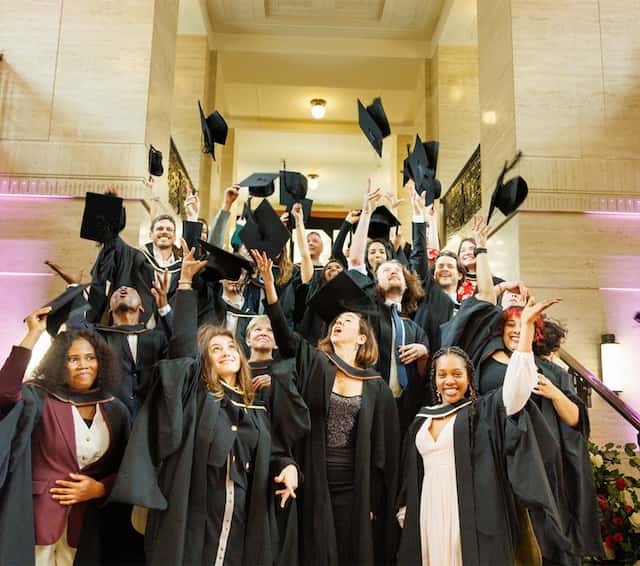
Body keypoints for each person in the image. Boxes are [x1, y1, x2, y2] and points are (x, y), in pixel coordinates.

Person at [109, 241, 306, 566]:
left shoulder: (255, 409)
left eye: (231, 348)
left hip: (241, 515)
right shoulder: (196, 395)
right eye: (216, 349)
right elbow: (183, 349)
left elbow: (271, 452)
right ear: (206, 361)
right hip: (192, 513)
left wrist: (288, 468)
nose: (226, 352)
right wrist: (185, 283)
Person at [396, 297, 577, 566]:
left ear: (470, 378)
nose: (449, 381)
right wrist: (406, 504)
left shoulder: (481, 412)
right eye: (442, 375)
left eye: (457, 374)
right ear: (434, 379)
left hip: (468, 509)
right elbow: (412, 470)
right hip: (428, 509)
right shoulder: (421, 420)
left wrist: (526, 331)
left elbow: (516, 393)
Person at [253, 248, 401, 566]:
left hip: (355, 487)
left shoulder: (376, 387)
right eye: (336, 321)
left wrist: (374, 500)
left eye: (347, 321)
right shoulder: (316, 364)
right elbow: (285, 337)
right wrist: (269, 289)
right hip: (314, 478)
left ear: (362, 338)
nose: (338, 324)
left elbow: (385, 451)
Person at [0, 308, 130, 566]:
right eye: (73, 359)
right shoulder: (39, 398)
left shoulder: (115, 409)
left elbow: (128, 467)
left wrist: (100, 488)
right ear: (60, 364)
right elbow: (5, 392)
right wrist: (33, 335)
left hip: (85, 525)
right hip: (35, 517)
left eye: (90, 358)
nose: (83, 365)